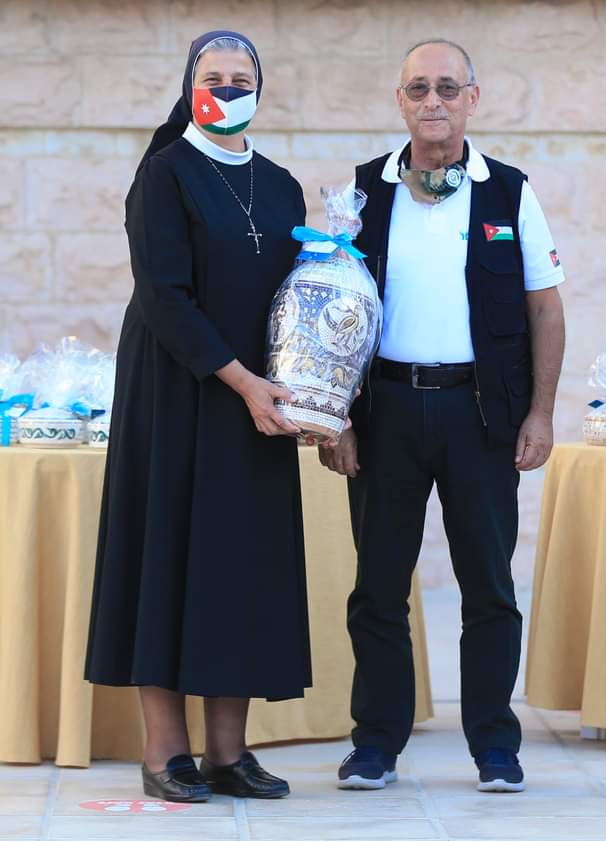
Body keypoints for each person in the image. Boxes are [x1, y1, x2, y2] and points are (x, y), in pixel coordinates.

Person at [319, 39, 566, 794]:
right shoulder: (363, 191)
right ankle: (375, 745)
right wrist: (337, 417)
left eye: (448, 88)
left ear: (472, 99)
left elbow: (545, 309)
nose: (434, 101)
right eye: (419, 88)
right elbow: (330, 307)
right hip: (384, 411)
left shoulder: (509, 192)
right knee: (378, 587)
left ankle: (495, 747)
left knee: (488, 587)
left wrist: (541, 413)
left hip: (480, 416)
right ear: (400, 100)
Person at [84, 31, 309, 803]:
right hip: (176, 391)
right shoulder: (164, 174)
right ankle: (165, 750)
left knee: (237, 565)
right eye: (213, 77)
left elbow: (296, 298)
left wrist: (309, 384)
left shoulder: (280, 186)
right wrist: (242, 381)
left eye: (241, 78)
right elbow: (164, 297)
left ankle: (228, 752)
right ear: (189, 86)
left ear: (260, 91)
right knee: (168, 557)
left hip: (256, 404)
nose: (227, 89)